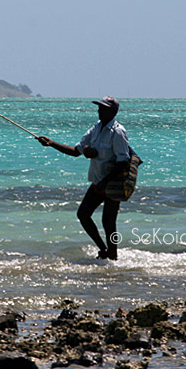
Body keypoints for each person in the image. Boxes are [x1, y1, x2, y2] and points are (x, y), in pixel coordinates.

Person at [37, 96, 131, 260]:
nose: (100, 110)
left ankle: (113, 258)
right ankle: (104, 249)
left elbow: (124, 162)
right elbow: (75, 151)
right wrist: (51, 143)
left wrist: (104, 182)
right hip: (97, 181)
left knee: (108, 223)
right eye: (99, 107)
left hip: (112, 182)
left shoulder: (118, 132)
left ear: (113, 111)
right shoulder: (95, 128)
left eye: (104, 108)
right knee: (83, 214)